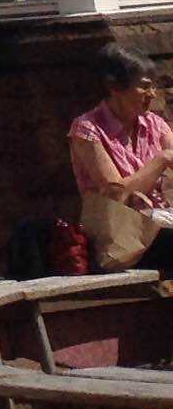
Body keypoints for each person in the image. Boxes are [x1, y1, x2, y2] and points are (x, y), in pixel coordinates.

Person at [71, 45, 173, 269]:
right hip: (123, 238)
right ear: (115, 86)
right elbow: (116, 194)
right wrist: (161, 160)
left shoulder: (155, 124)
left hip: (160, 226)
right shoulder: (87, 130)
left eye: (153, 87)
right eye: (144, 87)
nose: (152, 94)